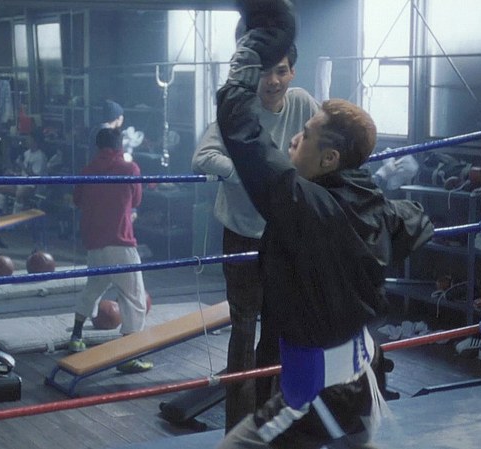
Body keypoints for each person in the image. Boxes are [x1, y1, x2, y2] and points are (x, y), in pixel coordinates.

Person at [215, 11, 433, 449]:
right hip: (362, 377)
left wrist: (244, 65)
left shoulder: (310, 210)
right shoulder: (372, 204)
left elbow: (246, 140)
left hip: (315, 396)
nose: (294, 139)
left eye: (306, 134)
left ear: (330, 159)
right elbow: (417, 220)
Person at [191, 30, 320, 432]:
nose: (272, 80)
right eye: (264, 71)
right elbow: (202, 156)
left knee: (278, 328)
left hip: (285, 233)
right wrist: (246, 174)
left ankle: (269, 420)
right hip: (243, 233)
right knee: (244, 328)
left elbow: (327, 143)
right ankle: (238, 427)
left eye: (280, 71)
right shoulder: (238, 109)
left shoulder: (303, 104)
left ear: (292, 72)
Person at [67, 128, 152, 374]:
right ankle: (128, 356)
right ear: (119, 146)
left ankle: (76, 336)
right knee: (134, 297)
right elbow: (136, 201)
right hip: (120, 241)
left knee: (93, 287)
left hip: (94, 241)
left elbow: (77, 200)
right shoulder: (130, 169)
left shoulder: (87, 170)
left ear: (97, 146)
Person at [0, 133, 48, 216]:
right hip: (21, 182)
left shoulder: (40, 156)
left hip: (34, 186)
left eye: (29, 139)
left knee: (20, 193)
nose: (27, 141)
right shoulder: (26, 153)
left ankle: (15, 217)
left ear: (35, 142)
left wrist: (22, 165)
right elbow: (22, 172)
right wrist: (14, 173)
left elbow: (36, 177)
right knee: (1, 188)